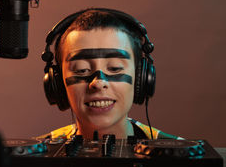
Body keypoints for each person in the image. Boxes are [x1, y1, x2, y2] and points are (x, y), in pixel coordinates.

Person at [39, 8, 183, 140]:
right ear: (57, 82)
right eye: (82, 70)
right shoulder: (30, 162)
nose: (98, 83)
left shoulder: (187, 163)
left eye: (115, 68)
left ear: (141, 76)